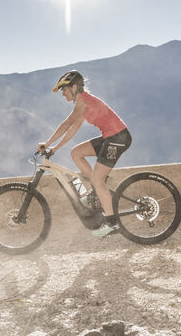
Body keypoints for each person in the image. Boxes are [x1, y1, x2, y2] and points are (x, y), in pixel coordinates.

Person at [38, 70, 132, 237]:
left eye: (64, 90)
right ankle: (96, 189)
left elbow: (67, 124)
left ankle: (112, 222)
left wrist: (47, 143)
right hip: (111, 136)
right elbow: (73, 130)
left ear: (74, 87)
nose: (62, 94)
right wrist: (55, 149)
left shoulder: (83, 102)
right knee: (76, 153)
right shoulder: (83, 103)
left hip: (118, 138)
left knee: (97, 180)